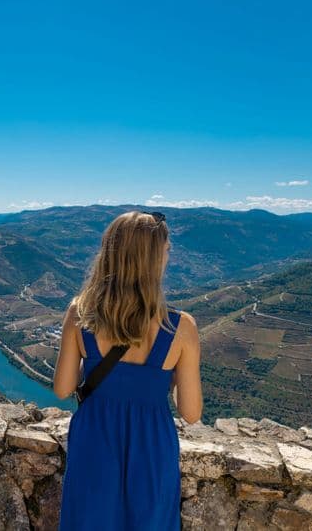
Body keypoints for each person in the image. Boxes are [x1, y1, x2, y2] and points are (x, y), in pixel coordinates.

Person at [54, 210, 203, 530]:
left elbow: (64, 388)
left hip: (93, 440)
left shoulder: (79, 314)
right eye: (165, 252)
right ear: (152, 261)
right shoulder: (182, 327)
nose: (168, 256)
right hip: (152, 446)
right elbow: (190, 412)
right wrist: (168, 375)